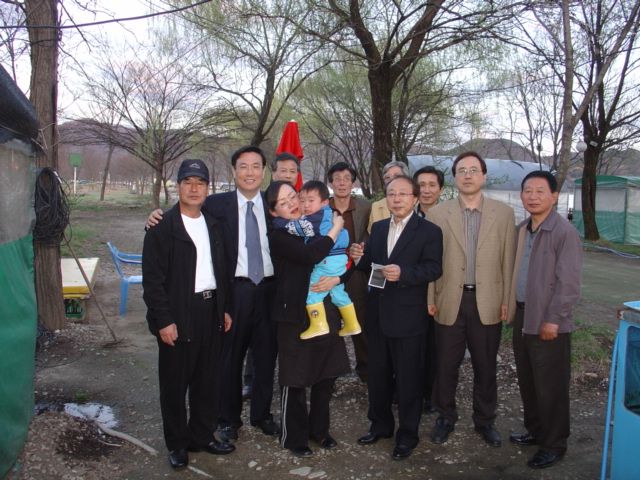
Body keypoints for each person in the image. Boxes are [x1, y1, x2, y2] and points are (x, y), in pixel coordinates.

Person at [147, 146, 280, 445]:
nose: (249, 172)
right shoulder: (216, 204)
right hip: (235, 290)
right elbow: (184, 212)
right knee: (229, 359)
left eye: (255, 166)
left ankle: (262, 415)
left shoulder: (275, 204)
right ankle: (228, 419)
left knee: (266, 355)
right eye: (243, 166)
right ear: (233, 172)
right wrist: (155, 216)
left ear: (263, 172)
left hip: (270, 289)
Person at [142, 159, 235, 470]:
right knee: (174, 382)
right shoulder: (162, 227)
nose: (194, 188)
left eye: (200, 183)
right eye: (188, 182)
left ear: (208, 189)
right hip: (178, 313)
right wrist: (163, 320)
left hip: (211, 309)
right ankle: (177, 443)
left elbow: (222, 270)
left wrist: (224, 308)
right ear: (177, 187)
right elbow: (153, 281)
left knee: (208, 380)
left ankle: (202, 436)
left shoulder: (214, 224)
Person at [426, 151, 515, 448]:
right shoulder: (438, 214)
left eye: (473, 170)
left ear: (484, 176)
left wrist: (507, 299)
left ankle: (485, 420)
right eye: (461, 170)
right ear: (454, 177)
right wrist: (430, 296)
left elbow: (508, 261)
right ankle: (445, 417)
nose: (467, 175)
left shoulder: (503, 214)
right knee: (445, 365)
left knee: (485, 365)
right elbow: (431, 260)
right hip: (449, 299)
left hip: (488, 300)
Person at [351, 175, 443, 461]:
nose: (397, 199)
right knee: (377, 376)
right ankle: (380, 426)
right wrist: (359, 258)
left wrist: (404, 273)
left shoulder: (429, 231)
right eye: (392, 194)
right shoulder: (379, 228)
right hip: (378, 314)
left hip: (409, 318)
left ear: (415, 198)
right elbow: (373, 266)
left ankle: (407, 435)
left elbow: (434, 268)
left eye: (403, 194)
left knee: (408, 380)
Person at [266, 180, 351, 457]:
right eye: (283, 202)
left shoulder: (316, 225)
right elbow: (310, 254)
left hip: (325, 308)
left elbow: (342, 262)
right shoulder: (279, 235)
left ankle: (320, 430)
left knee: (326, 373)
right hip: (293, 313)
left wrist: (340, 276)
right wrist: (336, 228)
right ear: (274, 212)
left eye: (293, 196)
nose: (292, 204)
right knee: (295, 376)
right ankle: (294, 437)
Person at [507, 171, 583, 469]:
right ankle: (536, 430)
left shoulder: (564, 232)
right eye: (528, 190)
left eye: (540, 191)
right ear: (521, 196)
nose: (533, 196)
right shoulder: (522, 229)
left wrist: (554, 319)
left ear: (554, 196)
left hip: (548, 322)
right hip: (523, 316)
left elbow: (569, 284)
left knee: (551, 386)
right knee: (528, 381)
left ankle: (554, 444)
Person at [272, 180, 360, 339]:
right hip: (338, 260)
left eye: (310, 200)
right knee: (339, 294)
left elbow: (300, 232)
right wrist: (337, 227)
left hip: (328, 260)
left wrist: (278, 222)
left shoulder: (315, 218)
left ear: (325, 202)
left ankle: (318, 324)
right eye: (302, 200)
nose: (305, 205)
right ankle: (352, 323)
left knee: (312, 292)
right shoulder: (329, 217)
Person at [327, 162, 371, 383]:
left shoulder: (365, 207)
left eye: (346, 178)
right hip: (327, 275)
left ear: (353, 183)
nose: (342, 183)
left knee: (360, 323)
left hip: (355, 274)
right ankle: (330, 375)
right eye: (337, 178)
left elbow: (372, 235)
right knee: (330, 325)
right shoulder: (323, 207)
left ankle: (366, 371)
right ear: (331, 183)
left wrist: (362, 249)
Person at [412, 166, 446, 414]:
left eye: (432, 185)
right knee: (412, 347)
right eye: (421, 185)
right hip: (409, 292)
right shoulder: (404, 215)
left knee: (436, 346)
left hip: (440, 291)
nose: (426, 190)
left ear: (441, 190)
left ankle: (432, 394)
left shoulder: (448, 218)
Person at [367, 161, 410, 232]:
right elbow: (372, 234)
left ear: (406, 179)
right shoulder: (376, 207)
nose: (392, 180)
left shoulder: (415, 204)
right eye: (387, 177)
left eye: (397, 176)